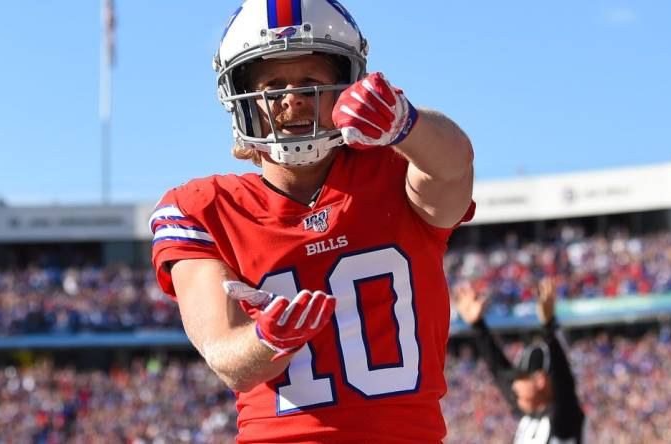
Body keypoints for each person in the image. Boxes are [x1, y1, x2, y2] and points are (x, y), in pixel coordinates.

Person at [149, 0, 475, 442]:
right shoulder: (203, 208)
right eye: (274, 83)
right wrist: (268, 339)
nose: (291, 99)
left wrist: (407, 123)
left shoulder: (394, 169)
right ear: (241, 97)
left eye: (310, 82)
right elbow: (225, 356)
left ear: (346, 86)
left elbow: (452, 169)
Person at [453, 278, 586, 443]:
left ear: (540, 380)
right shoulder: (530, 414)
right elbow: (499, 371)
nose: (514, 387)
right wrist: (478, 326)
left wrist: (549, 326)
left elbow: (563, 382)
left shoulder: (564, 418)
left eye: (520, 379)